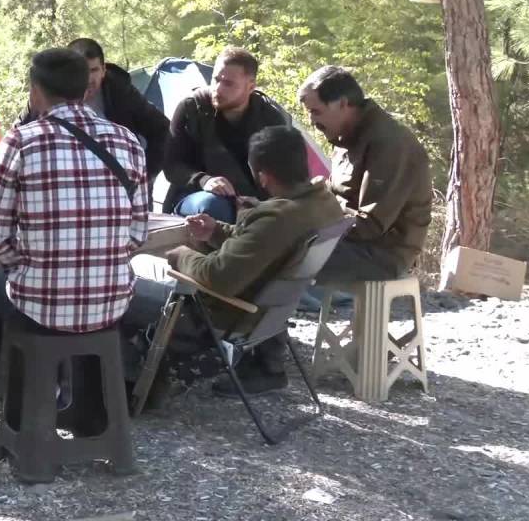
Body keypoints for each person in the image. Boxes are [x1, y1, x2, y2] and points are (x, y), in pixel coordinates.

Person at [0, 49, 149, 441]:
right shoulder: (127, 141)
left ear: (36, 91)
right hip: (111, 301)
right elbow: (136, 234)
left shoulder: (21, 141)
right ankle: (91, 420)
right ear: (87, 89)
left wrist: (24, 265)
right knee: (89, 307)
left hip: (41, 303)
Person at [128, 126, 346, 399]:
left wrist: (180, 254)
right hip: (271, 313)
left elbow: (217, 276)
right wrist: (216, 231)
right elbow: (265, 245)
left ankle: (134, 379)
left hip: (227, 314)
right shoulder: (322, 203)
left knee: (130, 284)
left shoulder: (276, 218)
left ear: (263, 176)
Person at [298, 66, 432, 293]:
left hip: (382, 255)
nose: (312, 121)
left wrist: (314, 217)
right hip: (346, 243)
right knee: (269, 238)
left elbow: (369, 227)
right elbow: (337, 195)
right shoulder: (345, 136)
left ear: (343, 103)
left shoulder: (389, 143)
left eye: (316, 112)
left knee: (284, 253)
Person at [18, 37, 169, 187]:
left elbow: (162, 130)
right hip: (63, 179)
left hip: (119, 183)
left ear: (103, 70)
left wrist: (144, 176)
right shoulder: (47, 95)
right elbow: (19, 135)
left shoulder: (120, 92)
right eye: (80, 72)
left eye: (93, 70)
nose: (88, 79)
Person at [163, 47, 290, 223]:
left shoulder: (270, 118)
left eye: (228, 84)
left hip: (254, 200)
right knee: (212, 205)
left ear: (250, 87)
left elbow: (285, 174)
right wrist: (204, 180)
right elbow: (171, 166)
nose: (218, 89)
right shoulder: (192, 108)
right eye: (216, 79)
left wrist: (261, 203)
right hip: (197, 195)